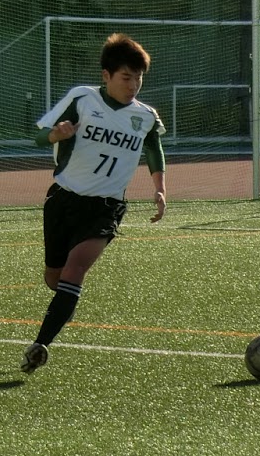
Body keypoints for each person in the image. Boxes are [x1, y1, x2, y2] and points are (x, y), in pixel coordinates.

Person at [21, 33, 166, 372]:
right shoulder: (82, 98)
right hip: (63, 200)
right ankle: (64, 302)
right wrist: (55, 134)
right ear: (106, 75)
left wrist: (160, 188)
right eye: (126, 77)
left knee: (75, 270)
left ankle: (40, 344)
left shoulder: (145, 116)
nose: (133, 85)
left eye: (138, 78)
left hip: (106, 207)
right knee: (55, 278)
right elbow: (39, 136)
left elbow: (153, 148)